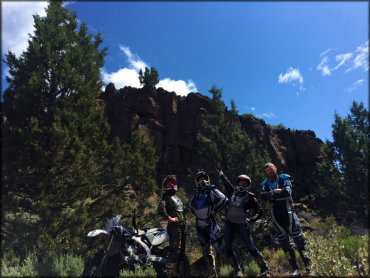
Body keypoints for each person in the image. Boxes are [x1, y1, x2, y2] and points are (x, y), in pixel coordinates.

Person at [260, 162, 311, 277]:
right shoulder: (265, 183)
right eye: (267, 171)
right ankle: (295, 269)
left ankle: (309, 266)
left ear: (275, 168)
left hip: (288, 211)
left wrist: (272, 196)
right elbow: (263, 197)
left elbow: (287, 193)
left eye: (271, 169)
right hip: (276, 215)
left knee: (298, 239)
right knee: (284, 243)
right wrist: (274, 192)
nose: (270, 172)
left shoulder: (284, 178)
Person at [218, 169, 269, 277]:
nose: (242, 184)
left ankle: (264, 268)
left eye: (244, 183)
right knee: (227, 247)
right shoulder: (233, 192)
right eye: (240, 182)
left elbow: (260, 211)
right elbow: (227, 183)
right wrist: (222, 174)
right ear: (237, 183)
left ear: (248, 185)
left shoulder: (250, 196)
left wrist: (252, 220)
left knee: (250, 246)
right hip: (229, 224)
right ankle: (237, 270)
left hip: (242, 224)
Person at [189, 170, 228, 277]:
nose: (202, 181)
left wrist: (214, 209)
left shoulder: (211, 190)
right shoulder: (195, 193)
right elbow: (190, 204)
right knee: (205, 249)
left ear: (207, 180)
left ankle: (226, 270)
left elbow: (224, 199)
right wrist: (196, 212)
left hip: (210, 222)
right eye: (200, 179)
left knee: (218, 246)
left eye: (204, 179)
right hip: (199, 224)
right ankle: (212, 272)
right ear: (197, 181)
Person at [158, 175, 188, 277]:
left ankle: (181, 272)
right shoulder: (165, 197)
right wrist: (170, 218)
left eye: (172, 182)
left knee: (182, 251)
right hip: (174, 227)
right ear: (165, 186)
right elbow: (160, 210)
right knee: (175, 250)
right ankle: (171, 274)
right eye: (168, 183)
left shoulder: (177, 198)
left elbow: (181, 211)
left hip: (183, 226)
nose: (171, 184)